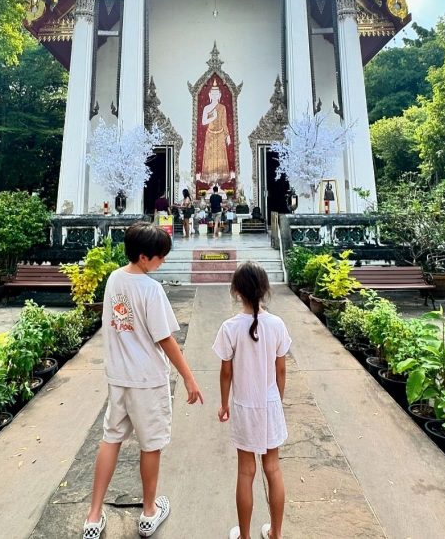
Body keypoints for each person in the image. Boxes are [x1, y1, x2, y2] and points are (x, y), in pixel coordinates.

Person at [82, 223, 203, 539]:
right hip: (147, 379)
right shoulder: (151, 289)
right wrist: (189, 378)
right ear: (144, 256)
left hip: (119, 378)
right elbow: (165, 339)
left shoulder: (113, 280)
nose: (162, 261)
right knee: (151, 446)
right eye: (159, 257)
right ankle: (149, 512)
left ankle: (93, 516)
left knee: (111, 438)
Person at [213, 262, 291, 539]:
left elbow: (226, 372)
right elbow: (281, 370)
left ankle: (244, 536)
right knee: (273, 468)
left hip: (245, 407)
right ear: (265, 290)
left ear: (236, 291)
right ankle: (276, 533)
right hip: (270, 404)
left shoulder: (230, 327)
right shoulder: (277, 324)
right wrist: (276, 402)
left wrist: (224, 404)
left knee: (246, 472)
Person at [198, 81, 232, 183]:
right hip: (210, 135)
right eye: (213, 94)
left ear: (220, 95)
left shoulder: (222, 107)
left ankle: (220, 180)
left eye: (216, 94)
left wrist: (228, 135)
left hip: (220, 134)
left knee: (220, 157)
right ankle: (210, 180)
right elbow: (203, 122)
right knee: (210, 158)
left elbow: (224, 123)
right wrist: (212, 117)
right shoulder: (207, 108)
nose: (214, 96)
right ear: (209, 95)